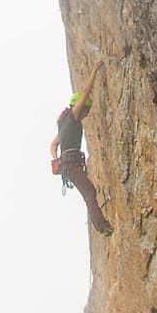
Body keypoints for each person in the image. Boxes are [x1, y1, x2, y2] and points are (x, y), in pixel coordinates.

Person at [50, 58, 112, 236]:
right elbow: (86, 91)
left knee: (88, 192)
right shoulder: (73, 115)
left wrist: (56, 159)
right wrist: (94, 68)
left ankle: (101, 224)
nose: (87, 114)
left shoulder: (63, 124)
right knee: (90, 193)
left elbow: (53, 144)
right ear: (81, 106)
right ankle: (102, 226)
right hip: (73, 165)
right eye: (87, 110)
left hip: (68, 165)